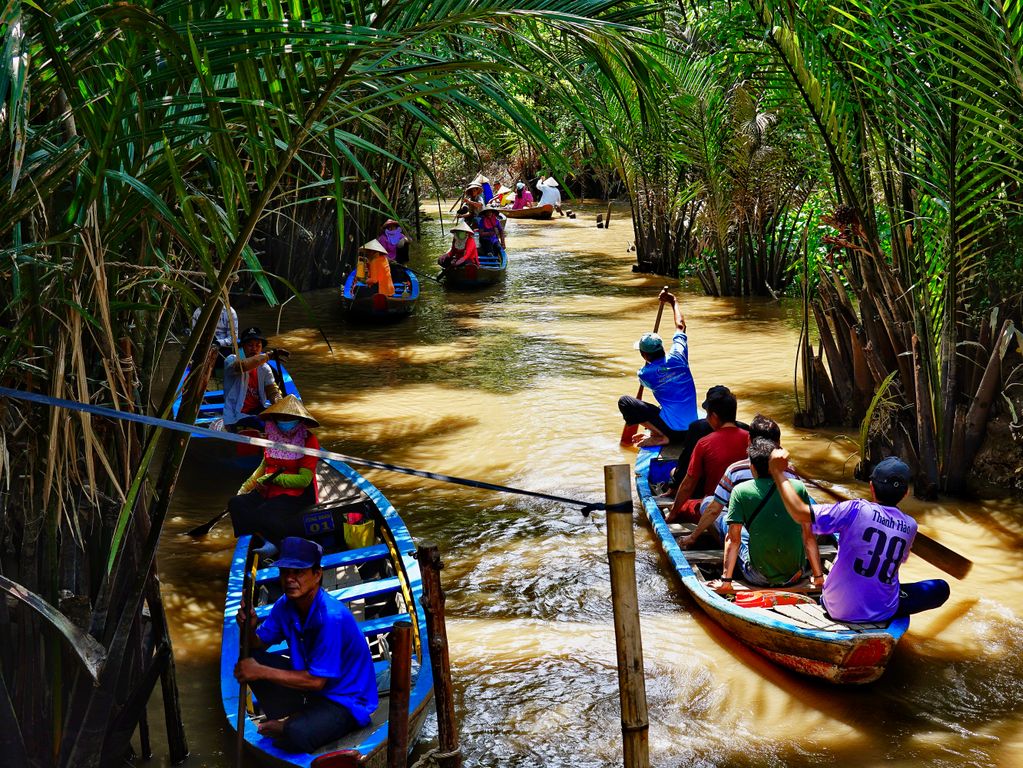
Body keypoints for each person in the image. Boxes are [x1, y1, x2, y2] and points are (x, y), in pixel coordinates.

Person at [768, 451, 951, 622]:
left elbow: (800, 513)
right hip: (882, 611)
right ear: (905, 493)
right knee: (941, 588)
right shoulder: (910, 526)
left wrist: (778, 472)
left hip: (836, 608)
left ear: (871, 487)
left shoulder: (855, 509)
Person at [235, 536, 378, 753]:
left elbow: (316, 682)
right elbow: (257, 644)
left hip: (345, 701)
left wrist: (261, 672)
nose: (290, 579)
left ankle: (289, 724)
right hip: (314, 691)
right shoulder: (285, 605)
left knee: (296, 733)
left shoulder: (330, 617)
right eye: (285, 572)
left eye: (298, 572)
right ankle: (295, 718)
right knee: (251, 658)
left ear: (317, 574)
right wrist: (249, 628)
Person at [706, 438, 822, 594]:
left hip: (757, 576)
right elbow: (809, 536)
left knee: (732, 528)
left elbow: (733, 540)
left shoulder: (740, 491)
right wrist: (818, 576)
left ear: (752, 467)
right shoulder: (798, 487)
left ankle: (729, 577)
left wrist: (726, 582)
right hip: (796, 574)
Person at [679, 414, 800, 549]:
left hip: (749, 532)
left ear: (749, 440)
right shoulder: (790, 470)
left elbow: (714, 510)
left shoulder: (736, 470)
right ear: (778, 443)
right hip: (780, 530)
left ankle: (728, 546)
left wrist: (693, 536)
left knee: (708, 502)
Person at [228, 395, 320, 548]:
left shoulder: (308, 440)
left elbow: (304, 480)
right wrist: (245, 487)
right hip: (268, 489)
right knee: (236, 503)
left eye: (288, 417)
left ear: (298, 419)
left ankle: (276, 543)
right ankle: (255, 538)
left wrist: (274, 478)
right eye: (281, 417)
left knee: (265, 512)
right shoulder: (272, 436)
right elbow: (264, 464)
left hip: (297, 494)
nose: (284, 421)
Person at [617, 288, 698, 447]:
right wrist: (673, 301)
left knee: (625, 402)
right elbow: (681, 326)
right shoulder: (679, 355)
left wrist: (649, 366)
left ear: (645, 356)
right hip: (691, 430)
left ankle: (660, 435)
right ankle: (658, 432)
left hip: (672, 432)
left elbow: (641, 399)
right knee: (665, 402)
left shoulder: (644, 374)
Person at [665, 386, 749, 523]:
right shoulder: (750, 436)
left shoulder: (704, 442)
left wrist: (674, 512)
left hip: (715, 507)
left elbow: (688, 483)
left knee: (682, 507)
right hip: (746, 504)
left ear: (714, 416)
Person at [223, 327, 285, 432]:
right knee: (265, 426)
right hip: (236, 415)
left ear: (261, 348)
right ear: (243, 347)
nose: (254, 349)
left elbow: (272, 389)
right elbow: (242, 366)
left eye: (258, 345)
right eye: (250, 345)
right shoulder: (231, 360)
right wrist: (268, 356)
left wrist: (279, 403)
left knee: (285, 423)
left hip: (257, 411)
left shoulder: (265, 368)